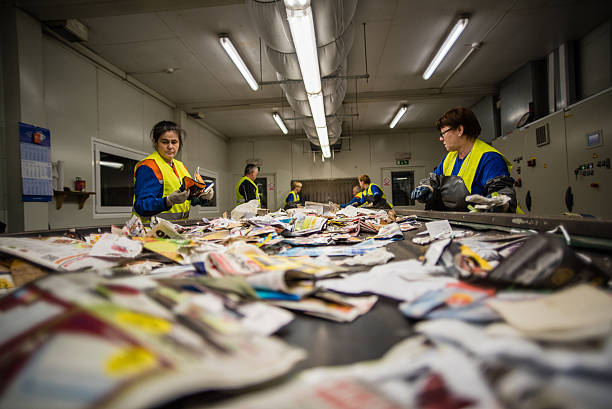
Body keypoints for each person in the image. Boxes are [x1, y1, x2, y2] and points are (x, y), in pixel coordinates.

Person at [411, 107, 521, 213]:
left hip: (495, 227)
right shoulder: (450, 157)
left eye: (443, 133)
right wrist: (427, 187)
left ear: (459, 130)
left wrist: (493, 206)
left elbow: (504, 196)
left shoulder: (489, 158)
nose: (441, 139)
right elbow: (435, 180)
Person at [133, 121, 213, 222]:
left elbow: (187, 198)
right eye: (165, 142)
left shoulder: (180, 166)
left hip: (176, 229)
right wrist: (168, 201)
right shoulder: (148, 166)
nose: (170, 147)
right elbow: (141, 206)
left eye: (174, 142)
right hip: (152, 232)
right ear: (155, 142)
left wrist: (203, 197)